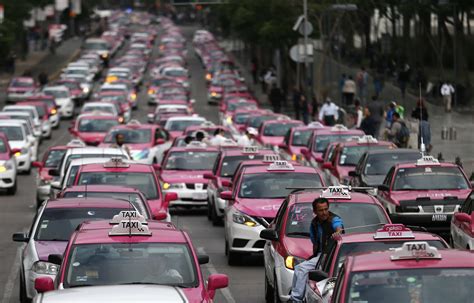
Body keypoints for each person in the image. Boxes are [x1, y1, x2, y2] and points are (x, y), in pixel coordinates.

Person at [289, 197, 344, 303]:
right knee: (299, 268)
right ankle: (297, 297)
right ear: (315, 211)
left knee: (301, 269)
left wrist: (338, 232)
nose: (324, 213)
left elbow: (338, 226)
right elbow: (315, 243)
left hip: (330, 256)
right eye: (320, 210)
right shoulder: (314, 224)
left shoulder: (334, 219)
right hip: (320, 255)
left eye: (326, 209)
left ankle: (296, 300)